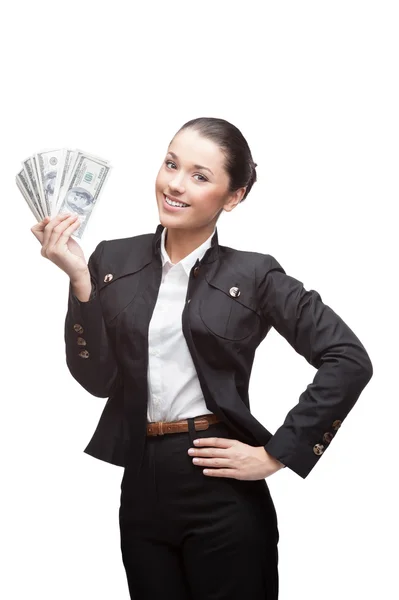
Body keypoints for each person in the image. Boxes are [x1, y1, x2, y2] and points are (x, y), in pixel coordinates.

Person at [31, 117, 373, 600]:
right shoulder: (111, 260)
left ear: (234, 197)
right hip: (142, 484)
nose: (174, 183)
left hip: (220, 489)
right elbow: (98, 379)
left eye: (199, 175)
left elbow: (348, 358)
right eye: (171, 164)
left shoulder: (255, 274)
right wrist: (80, 282)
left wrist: (277, 453)